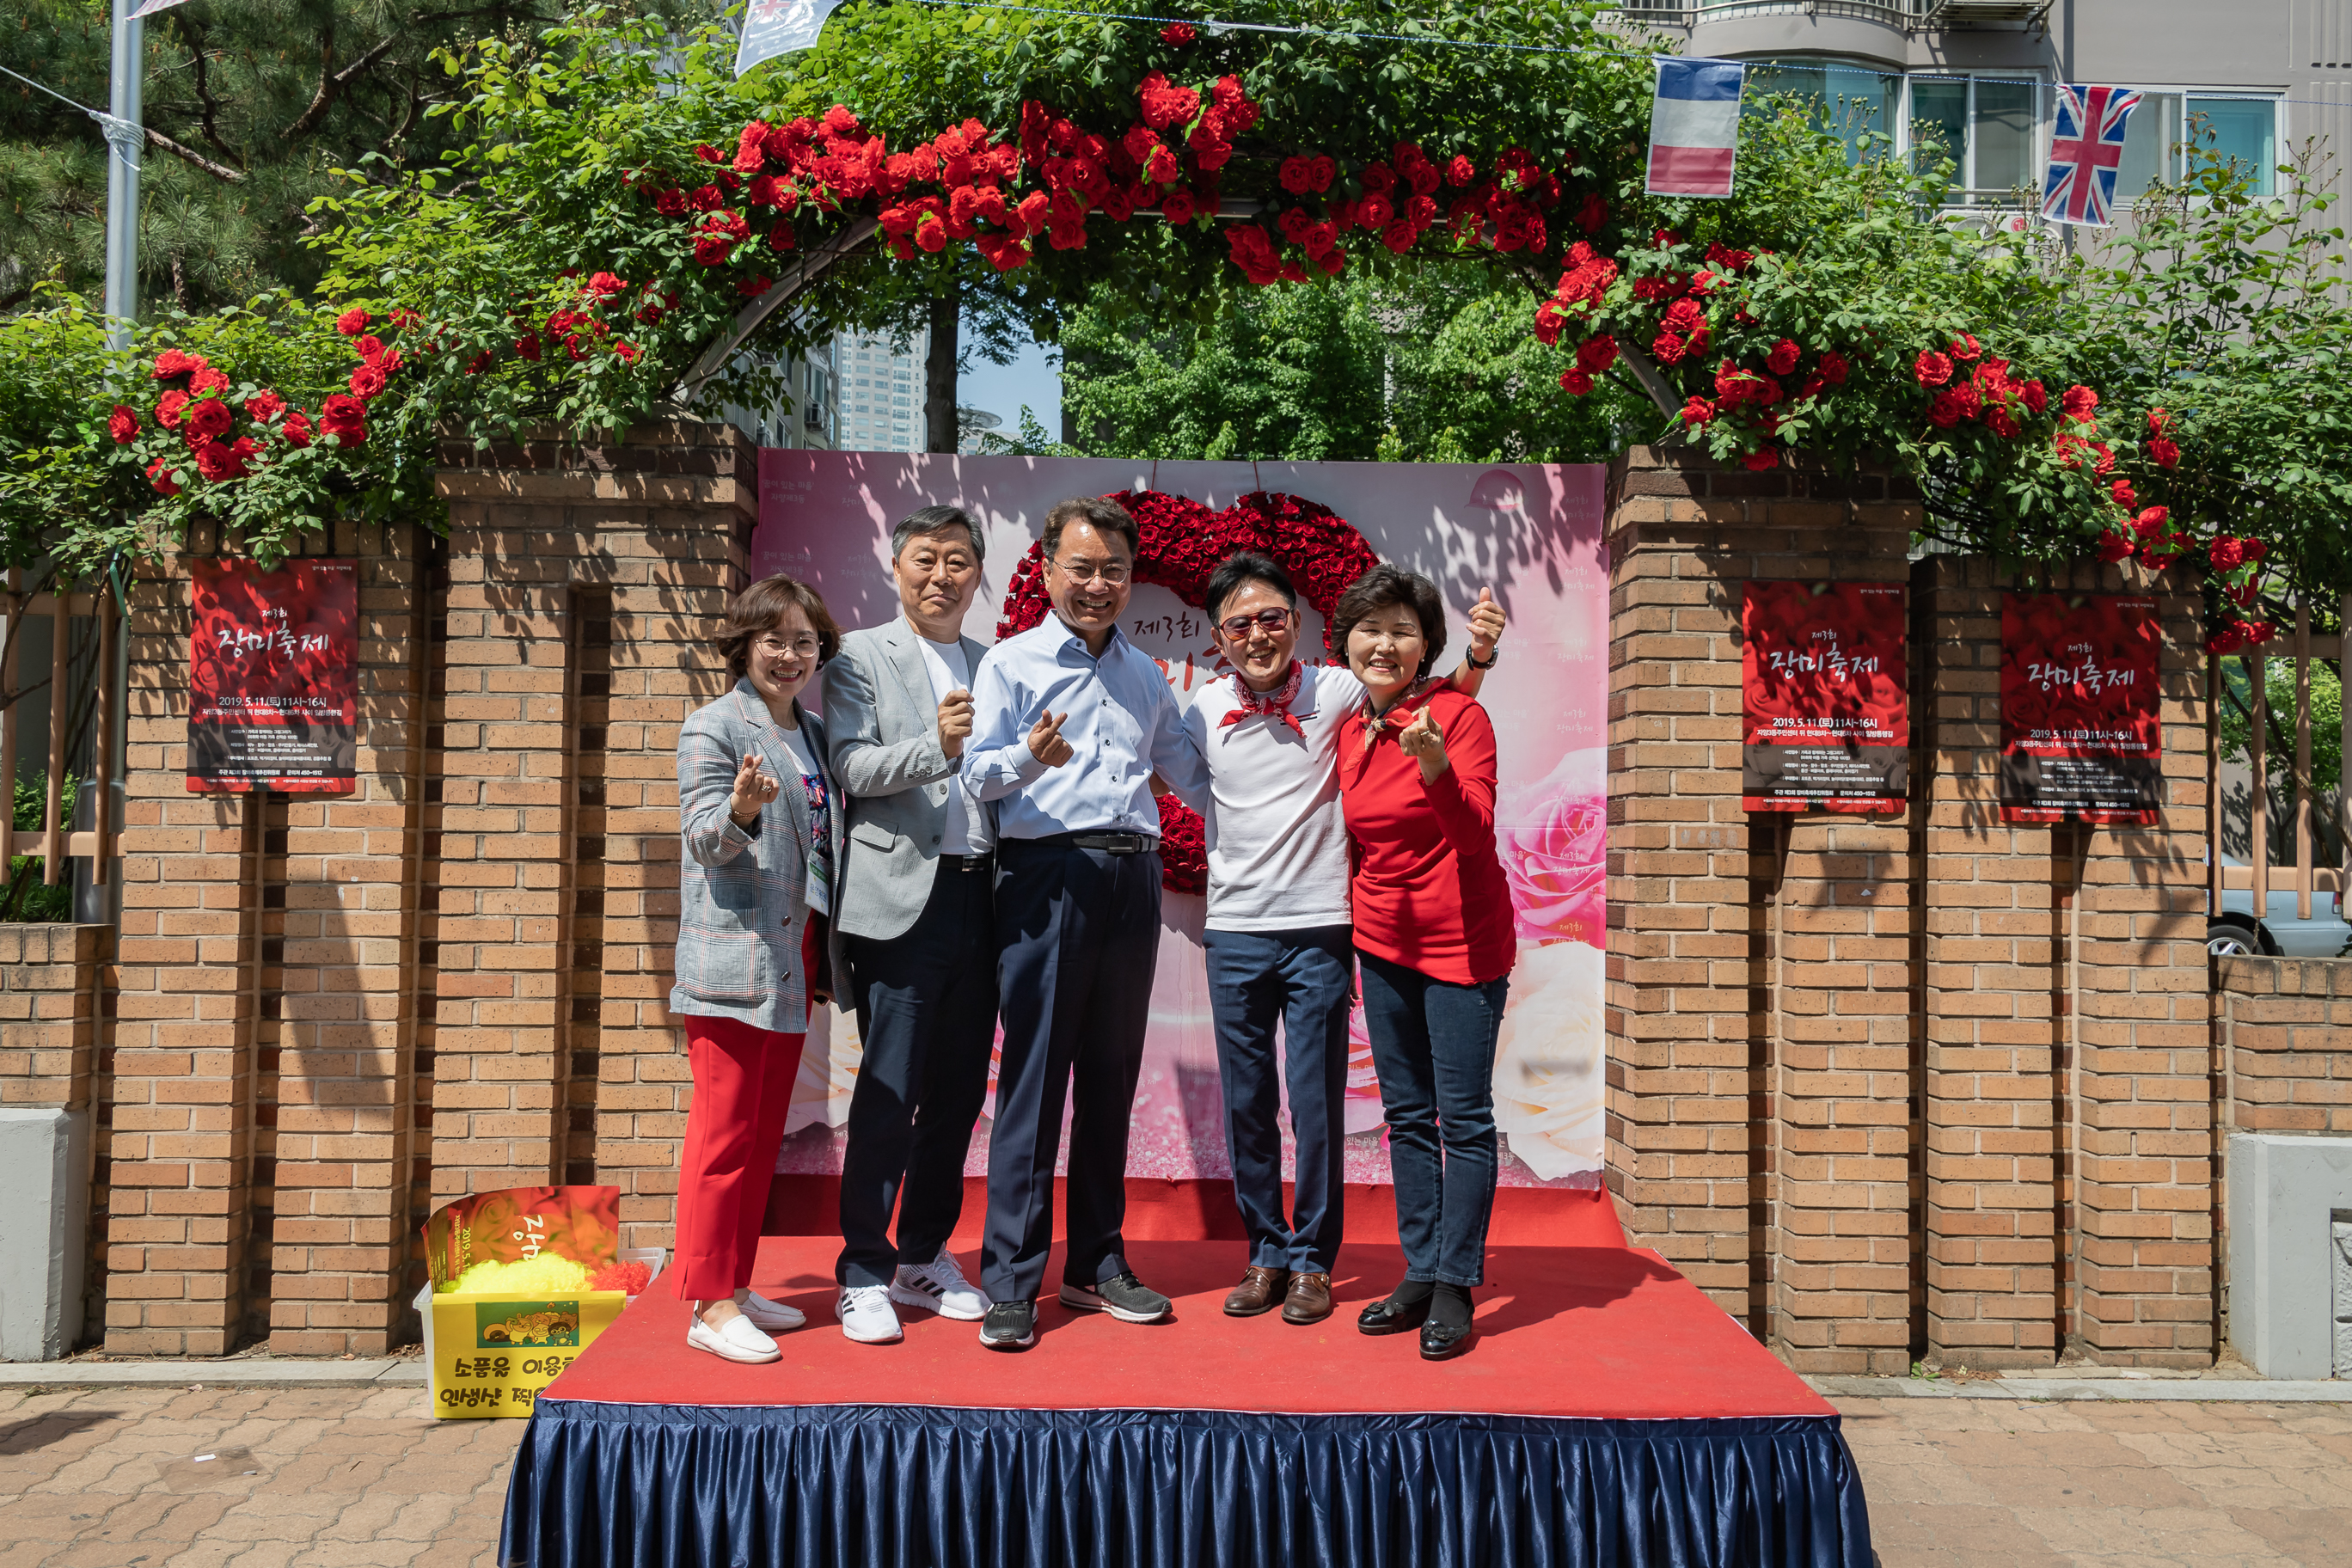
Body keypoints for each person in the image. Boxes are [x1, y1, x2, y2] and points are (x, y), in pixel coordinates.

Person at [1184, 553, 1504, 1326]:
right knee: (1285, 1106)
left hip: (1400, 935)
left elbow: (1449, 729)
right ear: (1218, 637)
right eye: (1239, 623)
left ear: (1298, 627)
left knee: (1428, 1114)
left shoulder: (1342, 693)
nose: (1257, 634)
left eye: (1273, 619)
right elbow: (1174, 778)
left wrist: (1479, 663)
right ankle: (1282, 1253)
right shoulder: (1220, 711)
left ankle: (1411, 1278)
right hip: (1345, 939)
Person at [959, 495, 1214, 1351]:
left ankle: (1097, 1263)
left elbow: (1187, 771)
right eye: (1082, 567)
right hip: (1048, 876)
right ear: (1048, 568)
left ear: (1130, 578)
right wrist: (1030, 755)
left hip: (1131, 878)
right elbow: (975, 776)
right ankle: (1010, 1282)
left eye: (1113, 570)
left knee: (1111, 1078)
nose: (1098, 584)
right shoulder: (1012, 663)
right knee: (1034, 1080)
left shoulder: (1144, 676)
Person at [822, 505, 998, 1344]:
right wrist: (936, 746)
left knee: (960, 1098)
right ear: (897, 570)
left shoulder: (994, 663)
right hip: (901, 904)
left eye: (958, 561)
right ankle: (862, 1270)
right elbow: (850, 765)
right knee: (890, 1095)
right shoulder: (860, 654)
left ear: (977, 574)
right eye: (926, 559)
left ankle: (924, 1255)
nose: (942, 575)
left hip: (983, 900)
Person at [1332, 565, 1516, 1363]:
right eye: (1371, 628)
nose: (1384, 643)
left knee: (1463, 1120)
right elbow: (1354, 844)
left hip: (1463, 947)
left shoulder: (1459, 720)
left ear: (1424, 647)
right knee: (1407, 1117)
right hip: (1381, 943)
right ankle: (1419, 1269)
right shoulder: (1348, 728)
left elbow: (1473, 835)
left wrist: (1436, 766)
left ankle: (1455, 1283)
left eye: (1402, 630)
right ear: (1347, 643)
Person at [667, 574, 848, 1364]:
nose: (789, 654)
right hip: (734, 961)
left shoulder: (811, 731)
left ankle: (734, 1286)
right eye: (773, 639)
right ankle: (707, 1304)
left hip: (792, 957)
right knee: (723, 1137)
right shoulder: (712, 727)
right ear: (743, 644)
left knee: (762, 1135)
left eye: (804, 641)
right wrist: (740, 809)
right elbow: (705, 840)